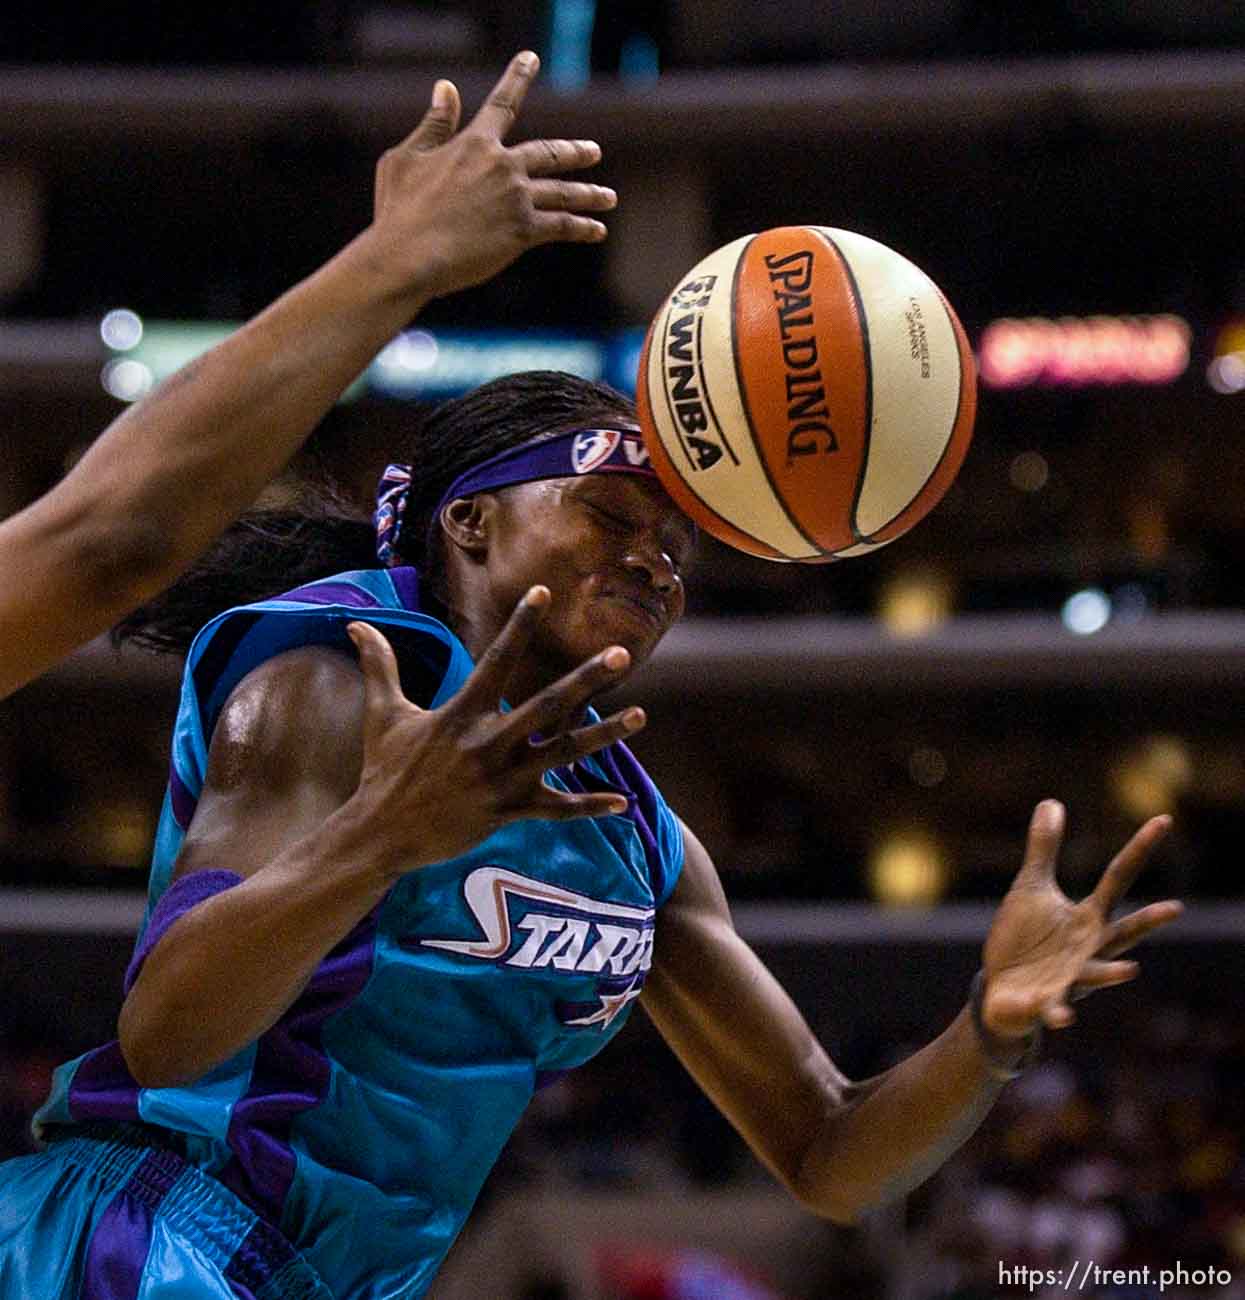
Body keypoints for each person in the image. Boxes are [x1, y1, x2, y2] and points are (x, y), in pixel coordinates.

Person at [0, 360, 1182, 1297]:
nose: (654, 561)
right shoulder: (342, 673)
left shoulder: (635, 837)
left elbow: (830, 1152)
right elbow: (163, 1033)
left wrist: (986, 1032)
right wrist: (379, 839)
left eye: (676, 547)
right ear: (468, 522)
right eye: (612, 514)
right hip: (143, 1230)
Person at [0, 48, 614, 701]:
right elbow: (109, 544)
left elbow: (110, 545)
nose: (656, 567)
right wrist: (398, 260)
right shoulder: (306, 698)